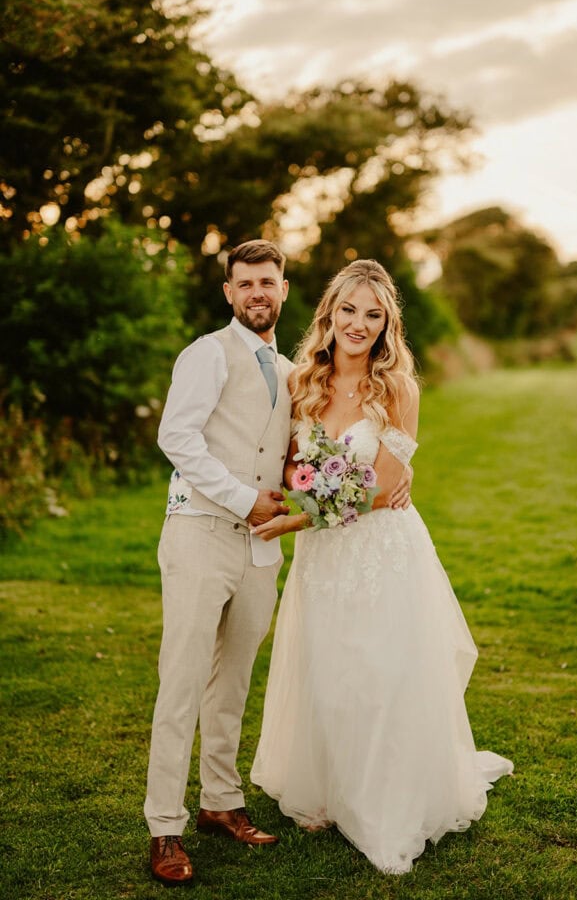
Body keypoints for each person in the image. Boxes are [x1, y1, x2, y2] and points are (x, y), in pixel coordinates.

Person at [250, 258, 513, 875]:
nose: (359, 324)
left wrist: (298, 517)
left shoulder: (397, 388)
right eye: (349, 311)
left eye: (374, 315)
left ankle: (385, 799)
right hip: (325, 558)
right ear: (330, 314)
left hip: (382, 552)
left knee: (380, 671)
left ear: (388, 323)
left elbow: (384, 485)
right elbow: (293, 466)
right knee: (328, 665)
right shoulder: (302, 384)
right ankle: (328, 790)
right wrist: (305, 487)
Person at [144, 240, 294, 886]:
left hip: (261, 548)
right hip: (201, 533)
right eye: (245, 284)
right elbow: (175, 437)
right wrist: (242, 498)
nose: (258, 292)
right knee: (180, 682)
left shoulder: (290, 369)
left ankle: (221, 803)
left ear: (283, 290)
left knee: (231, 683)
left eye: (268, 281)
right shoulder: (206, 353)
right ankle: (163, 829)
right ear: (228, 293)